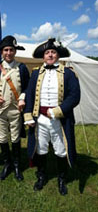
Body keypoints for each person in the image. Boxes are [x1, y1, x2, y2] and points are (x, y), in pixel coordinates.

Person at [24, 38, 80, 195]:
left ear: (58, 55)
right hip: (39, 119)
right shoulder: (35, 73)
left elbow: (75, 96)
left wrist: (58, 111)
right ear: (43, 57)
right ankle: (41, 176)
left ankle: (62, 178)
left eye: (53, 52)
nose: (50, 55)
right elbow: (29, 95)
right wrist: (28, 116)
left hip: (60, 120)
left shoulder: (68, 73)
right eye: (47, 52)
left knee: (61, 150)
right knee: (40, 149)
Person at [0, 35, 30, 181]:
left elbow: (27, 88)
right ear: (2, 52)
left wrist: (23, 99)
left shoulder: (22, 68)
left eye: (11, 50)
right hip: (0, 110)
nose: (8, 53)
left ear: (15, 51)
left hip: (15, 110)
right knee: (3, 137)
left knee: (16, 137)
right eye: (6, 50)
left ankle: (17, 165)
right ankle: (7, 164)